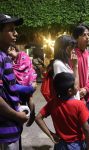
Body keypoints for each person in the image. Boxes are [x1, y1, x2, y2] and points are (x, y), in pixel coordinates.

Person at [35, 72, 89, 150]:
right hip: (76, 145)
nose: (78, 86)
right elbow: (86, 128)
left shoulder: (53, 103)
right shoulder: (79, 105)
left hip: (60, 145)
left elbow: (38, 118)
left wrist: (51, 134)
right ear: (70, 91)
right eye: (76, 85)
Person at [0, 14, 28, 150]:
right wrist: (17, 116)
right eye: (11, 29)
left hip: (11, 128)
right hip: (5, 132)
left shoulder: (5, 56)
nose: (16, 33)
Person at [72, 24, 89, 132]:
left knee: (88, 127)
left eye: (88, 34)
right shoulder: (71, 54)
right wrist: (77, 92)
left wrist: (86, 89)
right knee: (77, 128)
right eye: (84, 35)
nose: (87, 37)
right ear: (77, 38)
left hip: (87, 97)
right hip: (74, 98)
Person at [7, 45, 37, 126]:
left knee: (29, 96)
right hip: (22, 82)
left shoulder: (22, 54)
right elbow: (14, 69)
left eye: (10, 50)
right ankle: (28, 115)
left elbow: (26, 66)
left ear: (13, 49)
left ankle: (32, 114)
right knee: (26, 97)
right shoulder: (10, 59)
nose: (9, 52)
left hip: (28, 77)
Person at [52, 35, 80, 100]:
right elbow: (75, 88)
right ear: (64, 49)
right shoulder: (58, 64)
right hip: (69, 104)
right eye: (71, 48)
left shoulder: (64, 63)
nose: (73, 50)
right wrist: (75, 66)